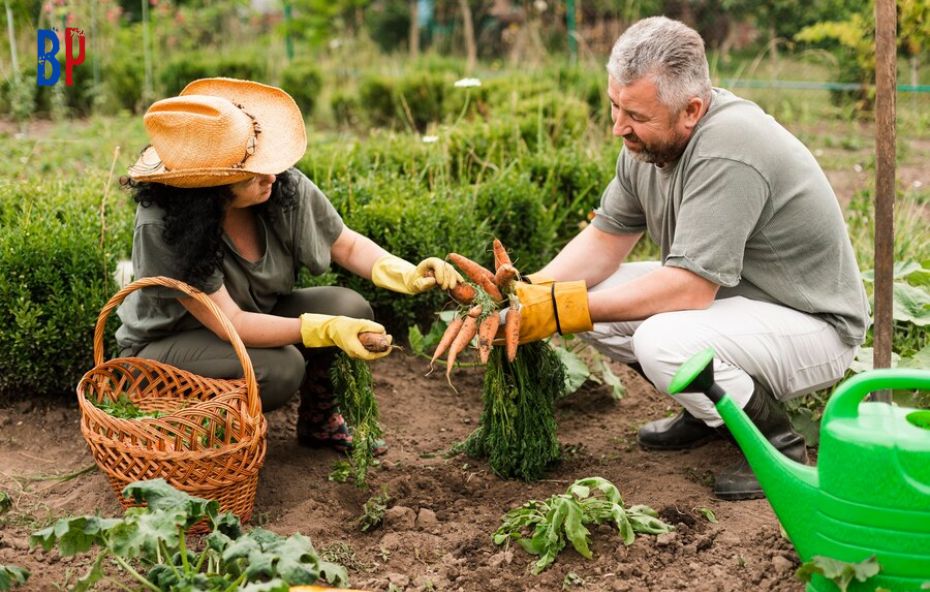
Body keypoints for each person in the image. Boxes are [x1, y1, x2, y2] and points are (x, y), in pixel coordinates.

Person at [507, 16, 870, 500]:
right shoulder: (645, 146)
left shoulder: (730, 149)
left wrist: (561, 309)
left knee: (661, 337)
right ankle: (710, 416)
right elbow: (604, 239)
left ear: (691, 110)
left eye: (635, 115)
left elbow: (689, 289)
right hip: (737, 307)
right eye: (615, 106)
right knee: (590, 299)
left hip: (810, 322)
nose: (619, 127)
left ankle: (776, 444)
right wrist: (529, 292)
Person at [116, 77, 462, 454]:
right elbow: (233, 323)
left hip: (250, 319)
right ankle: (202, 441)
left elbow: (344, 244)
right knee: (280, 368)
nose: (270, 175)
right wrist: (323, 329)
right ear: (209, 187)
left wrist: (407, 274)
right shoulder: (163, 224)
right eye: (249, 174)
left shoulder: (279, 186)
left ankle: (318, 424)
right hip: (169, 347)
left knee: (348, 306)